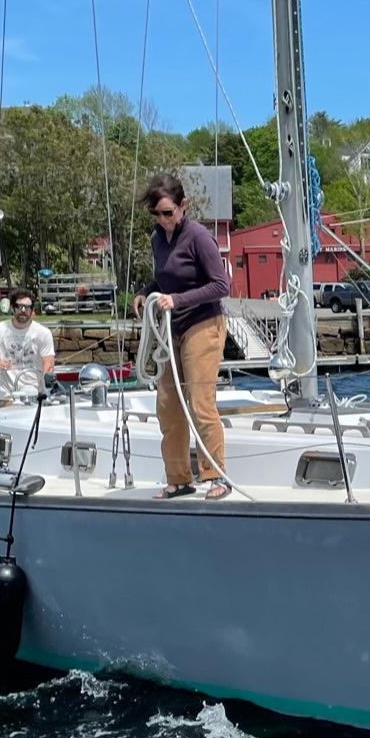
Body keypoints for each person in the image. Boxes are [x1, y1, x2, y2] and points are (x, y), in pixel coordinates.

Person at [137, 172, 232, 500]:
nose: (163, 220)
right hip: (171, 329)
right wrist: (145, 292)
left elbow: (221, 285)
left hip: (203, 324)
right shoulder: (157, 239)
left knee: (200, 401)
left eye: (168, 212)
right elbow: (165, 279)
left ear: (183, 206)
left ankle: (216, 476)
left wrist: (177, 300)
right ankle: (179, 479)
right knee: (168, 406)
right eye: (156, 214)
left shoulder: (198, 237)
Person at [0, 292, 55, 401]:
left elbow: (48, 361)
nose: (23, 310)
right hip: (8, 397)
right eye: (19, 306)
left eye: (27, 307)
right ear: (12, 308)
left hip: (37, 395)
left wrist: (48, 377)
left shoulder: (43, 333)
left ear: (32, 310)